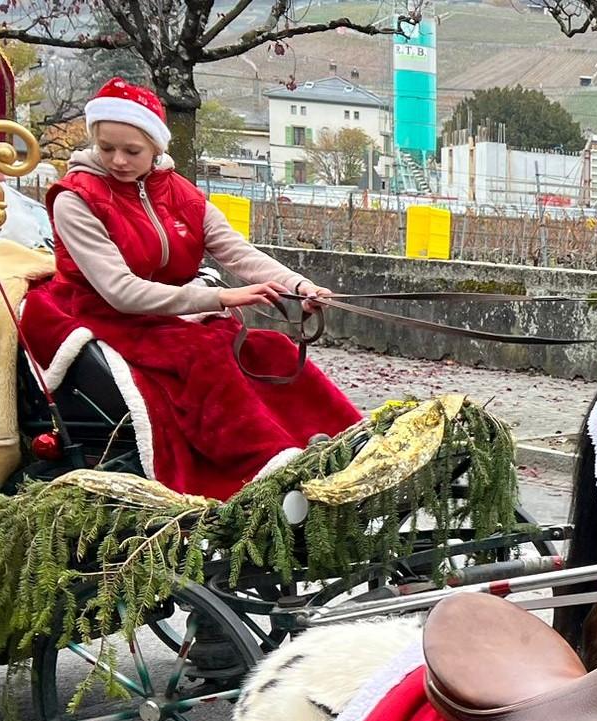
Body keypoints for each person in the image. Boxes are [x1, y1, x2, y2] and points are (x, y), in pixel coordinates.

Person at [21, 79, 360, 499]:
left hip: (173, 312)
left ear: (156, 148)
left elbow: (237, 253)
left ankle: (345, 444)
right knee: (204, 358)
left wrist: (298, 285)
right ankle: (264, 472)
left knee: (270, 348)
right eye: (106, 148)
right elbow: (120, 291)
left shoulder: (180, 191)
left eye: (132, 151)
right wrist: (220, 297)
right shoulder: (75, 198)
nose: (118, 160)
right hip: (105, 313)